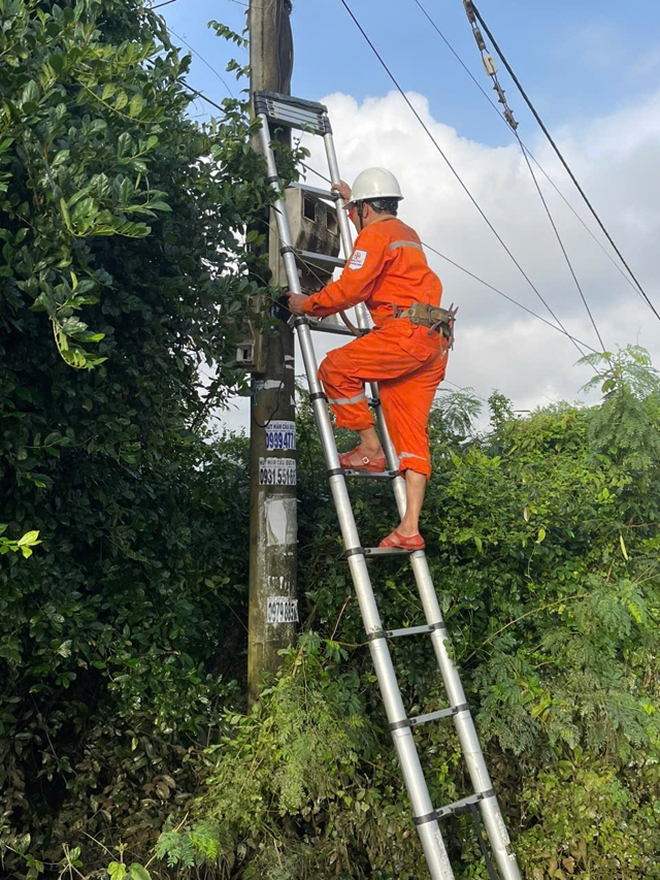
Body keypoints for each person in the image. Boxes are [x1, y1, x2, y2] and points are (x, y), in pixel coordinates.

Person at [288, 167, 452, 551]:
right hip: (434, 341)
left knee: (335, 368)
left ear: (365, 209)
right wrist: (349, 203)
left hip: (404, 335)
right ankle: (409, 528)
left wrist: (307, 304)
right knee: (411, 436)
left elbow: (352, 286)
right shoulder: (406, 234)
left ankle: (369, 450)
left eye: (356, 210)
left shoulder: (376, 235)